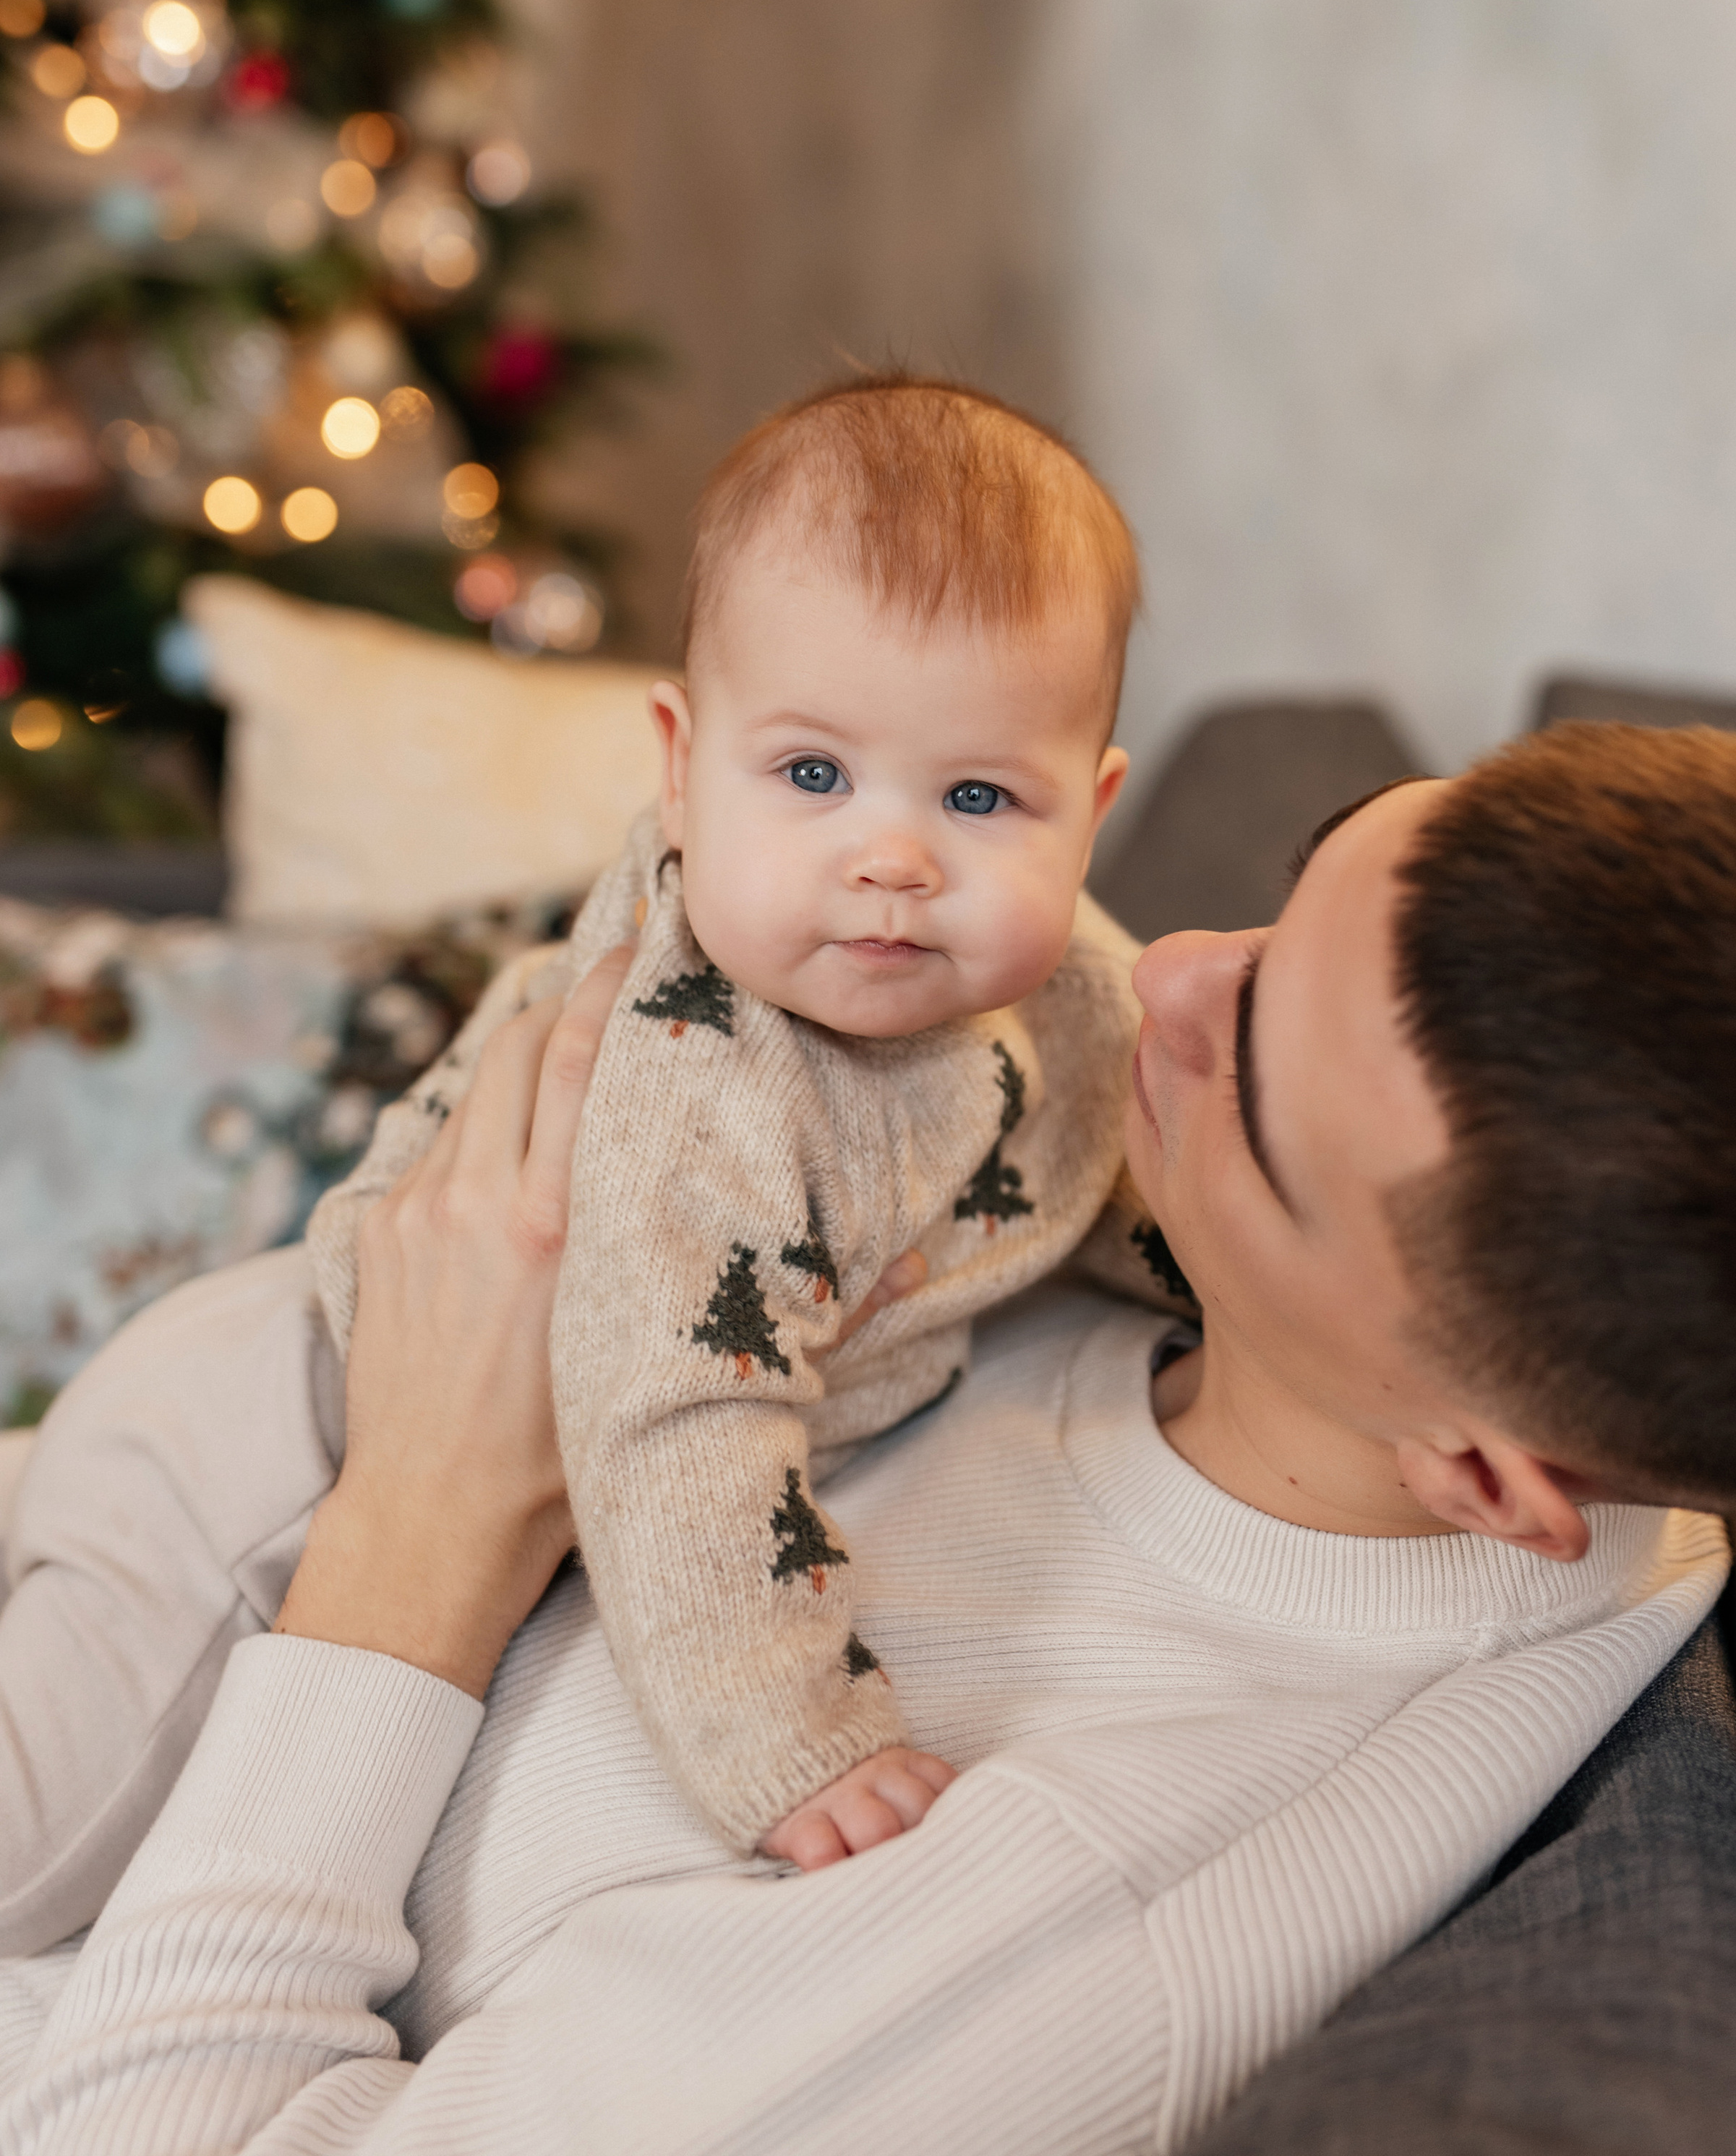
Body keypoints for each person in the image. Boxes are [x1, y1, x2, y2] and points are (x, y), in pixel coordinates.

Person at [9, 720, 1736, 2152]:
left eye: (1256, 1070)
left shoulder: (1066, 1917)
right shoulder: (1251, 1297)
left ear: (1482, 1478)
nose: (1176, 966)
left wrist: (425, 1518)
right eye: (1293, 892)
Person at [0, 375, 1171, 1925]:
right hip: (265, 1472)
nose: (891, 859)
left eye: (976, 796)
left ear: (1085, 812)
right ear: (679, 769)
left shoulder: (1064, 977)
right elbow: (672, 1415)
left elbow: (1111, 1155)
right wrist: (798, 1740)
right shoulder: (713, 1087)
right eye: (811, 776)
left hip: (262, 1370)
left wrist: (1212, 1275)